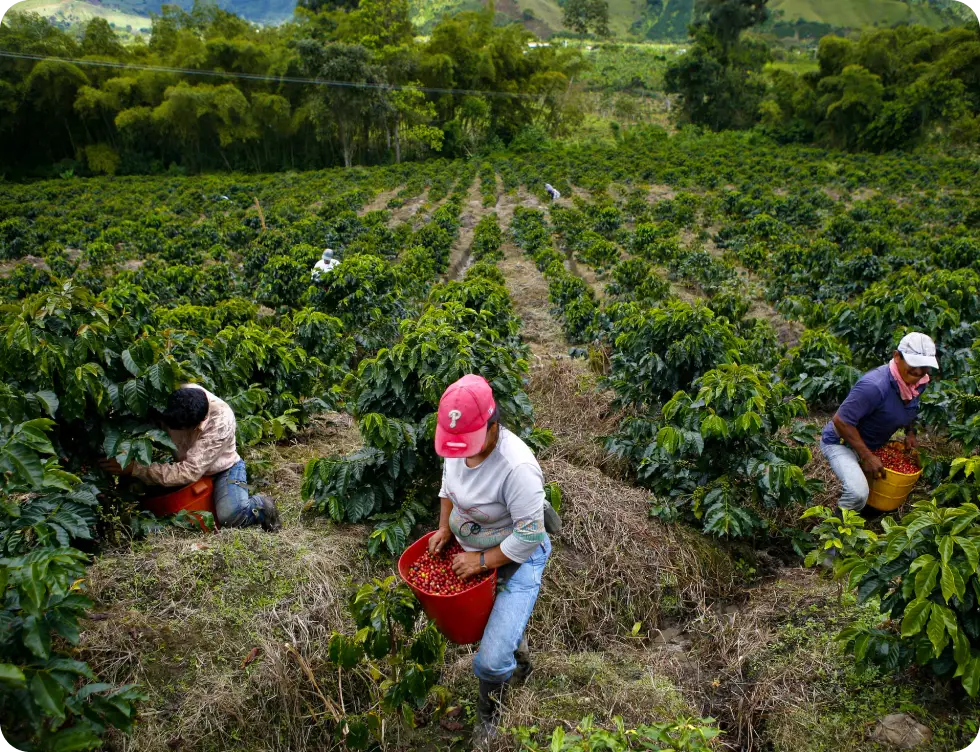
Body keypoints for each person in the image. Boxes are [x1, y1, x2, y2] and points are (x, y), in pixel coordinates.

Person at [429, 375, 552, 747]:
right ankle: (518, 652)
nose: (462, 451)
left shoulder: (517, 467)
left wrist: (480, 561)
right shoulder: (457, 446)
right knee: (494, 625)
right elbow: (448, 487)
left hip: (519, 556)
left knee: (490, 660)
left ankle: (490, 716)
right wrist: (444, 528)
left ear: (493, 425)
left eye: (471, 441)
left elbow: (529, 535)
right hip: (474, 548)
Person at [98, 384, 281, 531]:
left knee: (229, 516)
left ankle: (261, 505)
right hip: (187, 465)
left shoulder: (221, 420)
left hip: (223, 469)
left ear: (197, 424)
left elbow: (190, 471)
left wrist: (136, 468)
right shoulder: (178, 398)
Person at [820, 332, 938, 516]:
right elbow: (841, 421)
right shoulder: (874, 386)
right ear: (896, 356)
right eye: (913, 364)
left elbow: (910, 406)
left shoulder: (918, 383)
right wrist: (867, 456)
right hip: (841, 443)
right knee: (857, 493)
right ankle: (834, 529)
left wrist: (910, 432)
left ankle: (865, 514)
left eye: (923, 366)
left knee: (884, 486)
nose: (918, 372)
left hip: (873, 444)